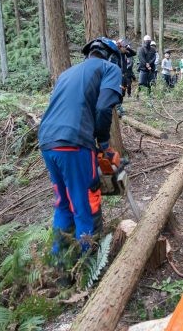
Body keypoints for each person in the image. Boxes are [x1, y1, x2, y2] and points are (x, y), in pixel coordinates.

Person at [38, 37, 123, 255]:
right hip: (74, 142)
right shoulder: (109, 68)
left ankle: (60, 265)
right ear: (109, 55)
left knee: (63, 202)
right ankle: (88, 264)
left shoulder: (66, 73)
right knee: (86, 202)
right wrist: (103, 143)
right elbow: (104, 108)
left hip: (48, 141)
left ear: (88, 53)